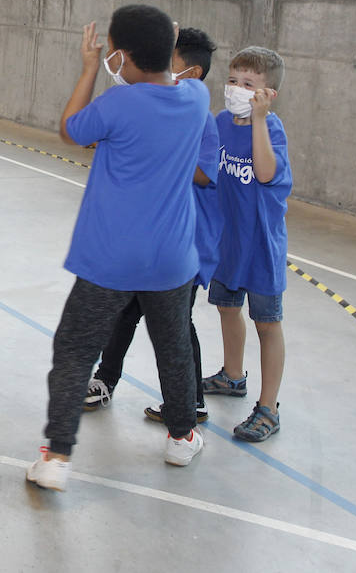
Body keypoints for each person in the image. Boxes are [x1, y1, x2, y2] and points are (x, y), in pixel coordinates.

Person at [28, 6, 208, 492]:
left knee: (74, 352)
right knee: (174, 351)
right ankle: (181, 435)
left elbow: (71, 129)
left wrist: (89, 68)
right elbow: (173, 77)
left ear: (121, 55)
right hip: (171, 260)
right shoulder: (196, 96)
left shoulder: (117, 105)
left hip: (108, 259)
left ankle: (57, 456)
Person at [83, 27, 220, 425]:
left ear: (190, 75)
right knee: (123, 312)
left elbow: (203, 174)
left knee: (176, 323)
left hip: (182, 244)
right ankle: (105, 380)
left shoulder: (201, 121)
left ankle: (191, 401)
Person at [202, 45, 292, 443]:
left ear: (268, 94)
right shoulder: (220, 122)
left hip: (260, 246)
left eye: (249, 84)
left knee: (267, 324)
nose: (237, 89)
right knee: (226, 307)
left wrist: (257, 120)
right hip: (227, 241)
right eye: (234, 81)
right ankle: (232, 375)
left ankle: (268, 407)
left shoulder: (271, 129)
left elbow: (265, 171)